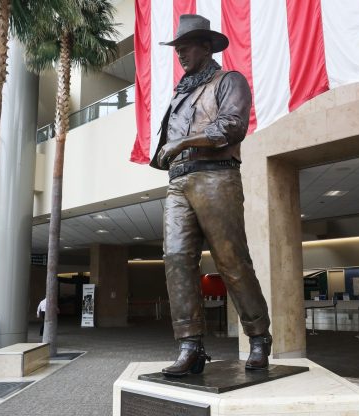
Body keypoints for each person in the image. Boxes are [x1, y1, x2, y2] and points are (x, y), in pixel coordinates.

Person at [150, 14, 272, 377]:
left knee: (231, 261)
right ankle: (191, 345)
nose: (181, 54)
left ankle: (258, 336)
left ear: (206, 46)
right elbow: (165, 146)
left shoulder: (228, 80)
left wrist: (182, 142)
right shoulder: (181, 92)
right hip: (178, 182)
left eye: (186, 47)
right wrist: (168, 152)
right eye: (177, 49)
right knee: (175, 258)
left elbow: (231, 126)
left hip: (216, 177)